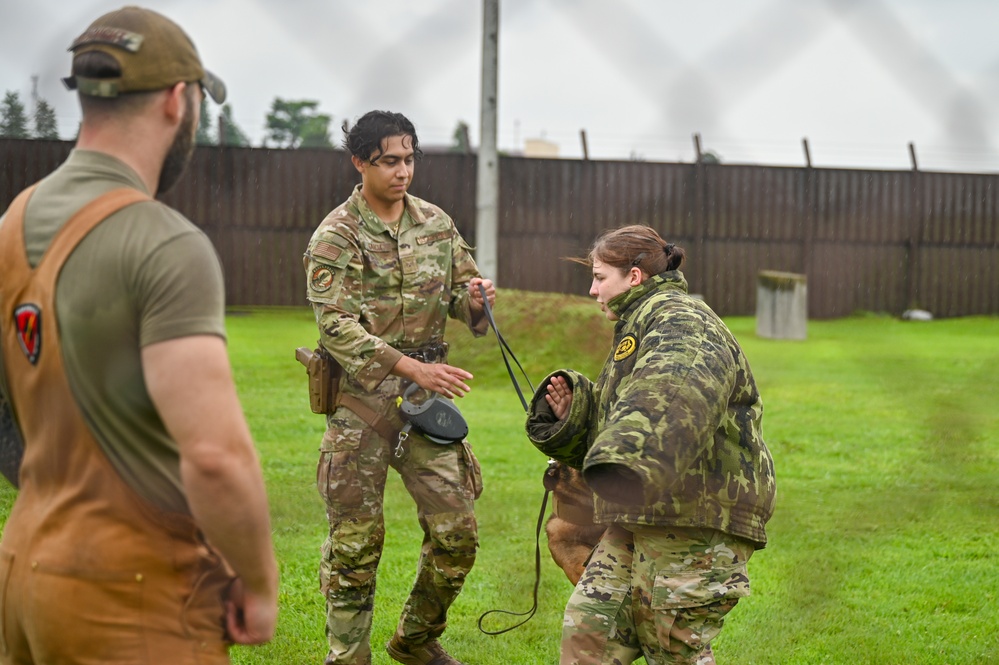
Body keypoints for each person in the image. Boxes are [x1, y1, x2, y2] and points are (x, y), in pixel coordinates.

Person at [0, 7, 278, 663]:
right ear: (178, 101)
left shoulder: (12, 223)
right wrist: (260, 583)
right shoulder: (164, 242)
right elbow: (214, 455)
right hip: (132, 596)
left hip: (24, 571)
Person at [526, 224, 776, 665]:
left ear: (634, 277)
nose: (591, 289)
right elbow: (636, 409)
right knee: (590, 635)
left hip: (696, 517)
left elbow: (674, 390)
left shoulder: (683, 321)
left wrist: (622, 459)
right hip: (644, 515)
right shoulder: (641, 325)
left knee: (674, 650)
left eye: (600, 277)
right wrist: (576, 417)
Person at [303, 110, 495, 665]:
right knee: (355, 547)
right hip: (362, 401)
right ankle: (347, 656)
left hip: (422, 404)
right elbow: (335, 326)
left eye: (409, 158)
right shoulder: (337, 234)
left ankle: (414, 643)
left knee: (457, 533)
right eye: (390, 160)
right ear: (360, 161)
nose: (403, 171)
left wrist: (476, 303)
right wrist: (410, 369)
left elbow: (461, 295)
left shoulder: (437, 223)